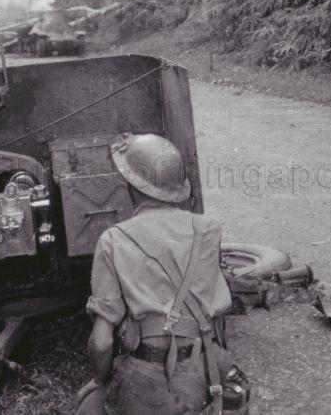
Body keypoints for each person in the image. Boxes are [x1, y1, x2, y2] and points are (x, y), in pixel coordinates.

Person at [75, 133, 249, 415]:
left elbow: (102, 341)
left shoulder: (113, 240)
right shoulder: (209, 229)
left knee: (87, 408)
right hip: (208, 370)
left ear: (131, 185)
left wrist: (99, 380)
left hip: (146, 379)